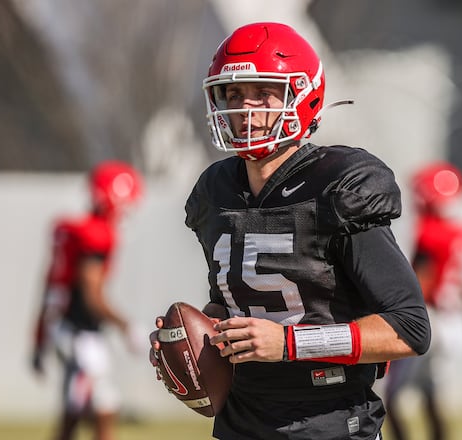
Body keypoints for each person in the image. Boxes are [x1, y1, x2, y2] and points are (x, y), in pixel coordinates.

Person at [148, 22, 431, 440]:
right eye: (233, 93)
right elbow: (238, 303)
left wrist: (289, 344)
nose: (245, 108)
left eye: (263, 92)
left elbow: (409, 328)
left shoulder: (337, 185)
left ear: (303, 95)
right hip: (242, 419)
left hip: (329, 421)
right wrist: (196, 339)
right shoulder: (217, 191)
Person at [31, 160, 143, 440]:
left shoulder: (71, 231)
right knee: (86, 408)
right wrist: (126, 326)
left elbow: (50, 287)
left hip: (65, 327)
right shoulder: (95, 235)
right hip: (79, 332)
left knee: (97, 404)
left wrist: (39, 338)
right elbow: (92, 295)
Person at [384, 162, 462, 440]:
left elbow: (421, 281)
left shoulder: (430, 233)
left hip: (428, 317)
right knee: (431, 394)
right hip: (452, 321)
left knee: (391, 395)